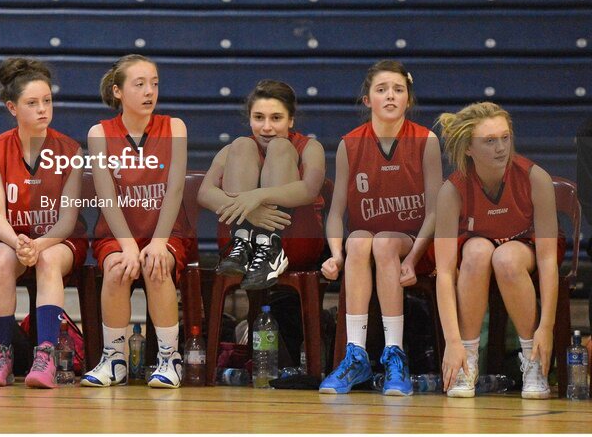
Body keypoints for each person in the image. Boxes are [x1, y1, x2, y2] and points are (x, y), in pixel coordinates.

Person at [319, 60, 441, 396]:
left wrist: (413, 258)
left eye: (398, 90)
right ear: (367, 100)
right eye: (382, 90)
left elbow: (435, 211)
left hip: (414, 243)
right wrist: (335, 255)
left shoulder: (426, 140)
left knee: (385, 242)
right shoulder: (350, 144)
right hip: (369, 242)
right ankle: (355, 355)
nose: (390, 96)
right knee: (358, 241)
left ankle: (394, 355)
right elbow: (336, 212)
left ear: (408, 100)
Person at [81, 55, 194, 389]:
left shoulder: (175, 127)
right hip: (118, 233)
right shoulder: (99, 133)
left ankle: (169, 359)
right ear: (118, 91)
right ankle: (114, 360)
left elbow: (175, 190)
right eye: (140, 84)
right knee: (117, 267)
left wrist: (158, 242)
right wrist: (128, 246)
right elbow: (106, 196)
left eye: (155, 83)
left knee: (156, 265)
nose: (150, 91)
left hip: (166, 230)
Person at [434, 102, 560, 399]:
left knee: (505, 257)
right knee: (477, 251)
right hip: (478, 253)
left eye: (505, 137)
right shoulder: (452, 190)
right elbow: (443, 273)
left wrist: (547, 326)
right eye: (489, 141)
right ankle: (467, 360)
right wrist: (452, 341)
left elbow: (548, 260)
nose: (501, 147)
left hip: (522, 250)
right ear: (468, 149)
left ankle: (533, 360)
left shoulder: (534, 178)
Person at [0, 58, 88, 389]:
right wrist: (18, 243)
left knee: (49, 260)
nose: (43, 109)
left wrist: (38, 245)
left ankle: (46, 356)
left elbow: (68, 220)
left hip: (58, 240)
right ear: (12, 107)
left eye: (47, 101)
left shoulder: (70, 149)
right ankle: (2, 355)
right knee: (0, 259)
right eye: (32, 103)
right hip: (15, 238)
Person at [199, 79, 326, 290]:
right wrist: (249, 212)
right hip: (237, 248)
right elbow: (204, 193)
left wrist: (257, 196)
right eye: (259, 118)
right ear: (249, 119)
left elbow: (309, 190)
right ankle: (243, 242)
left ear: (291, 120)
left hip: (293, 240)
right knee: (241, 145)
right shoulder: (236, 148)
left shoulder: (310, 147)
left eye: (276, 118)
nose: (267, 127)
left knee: (280, 147)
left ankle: (271, 249)